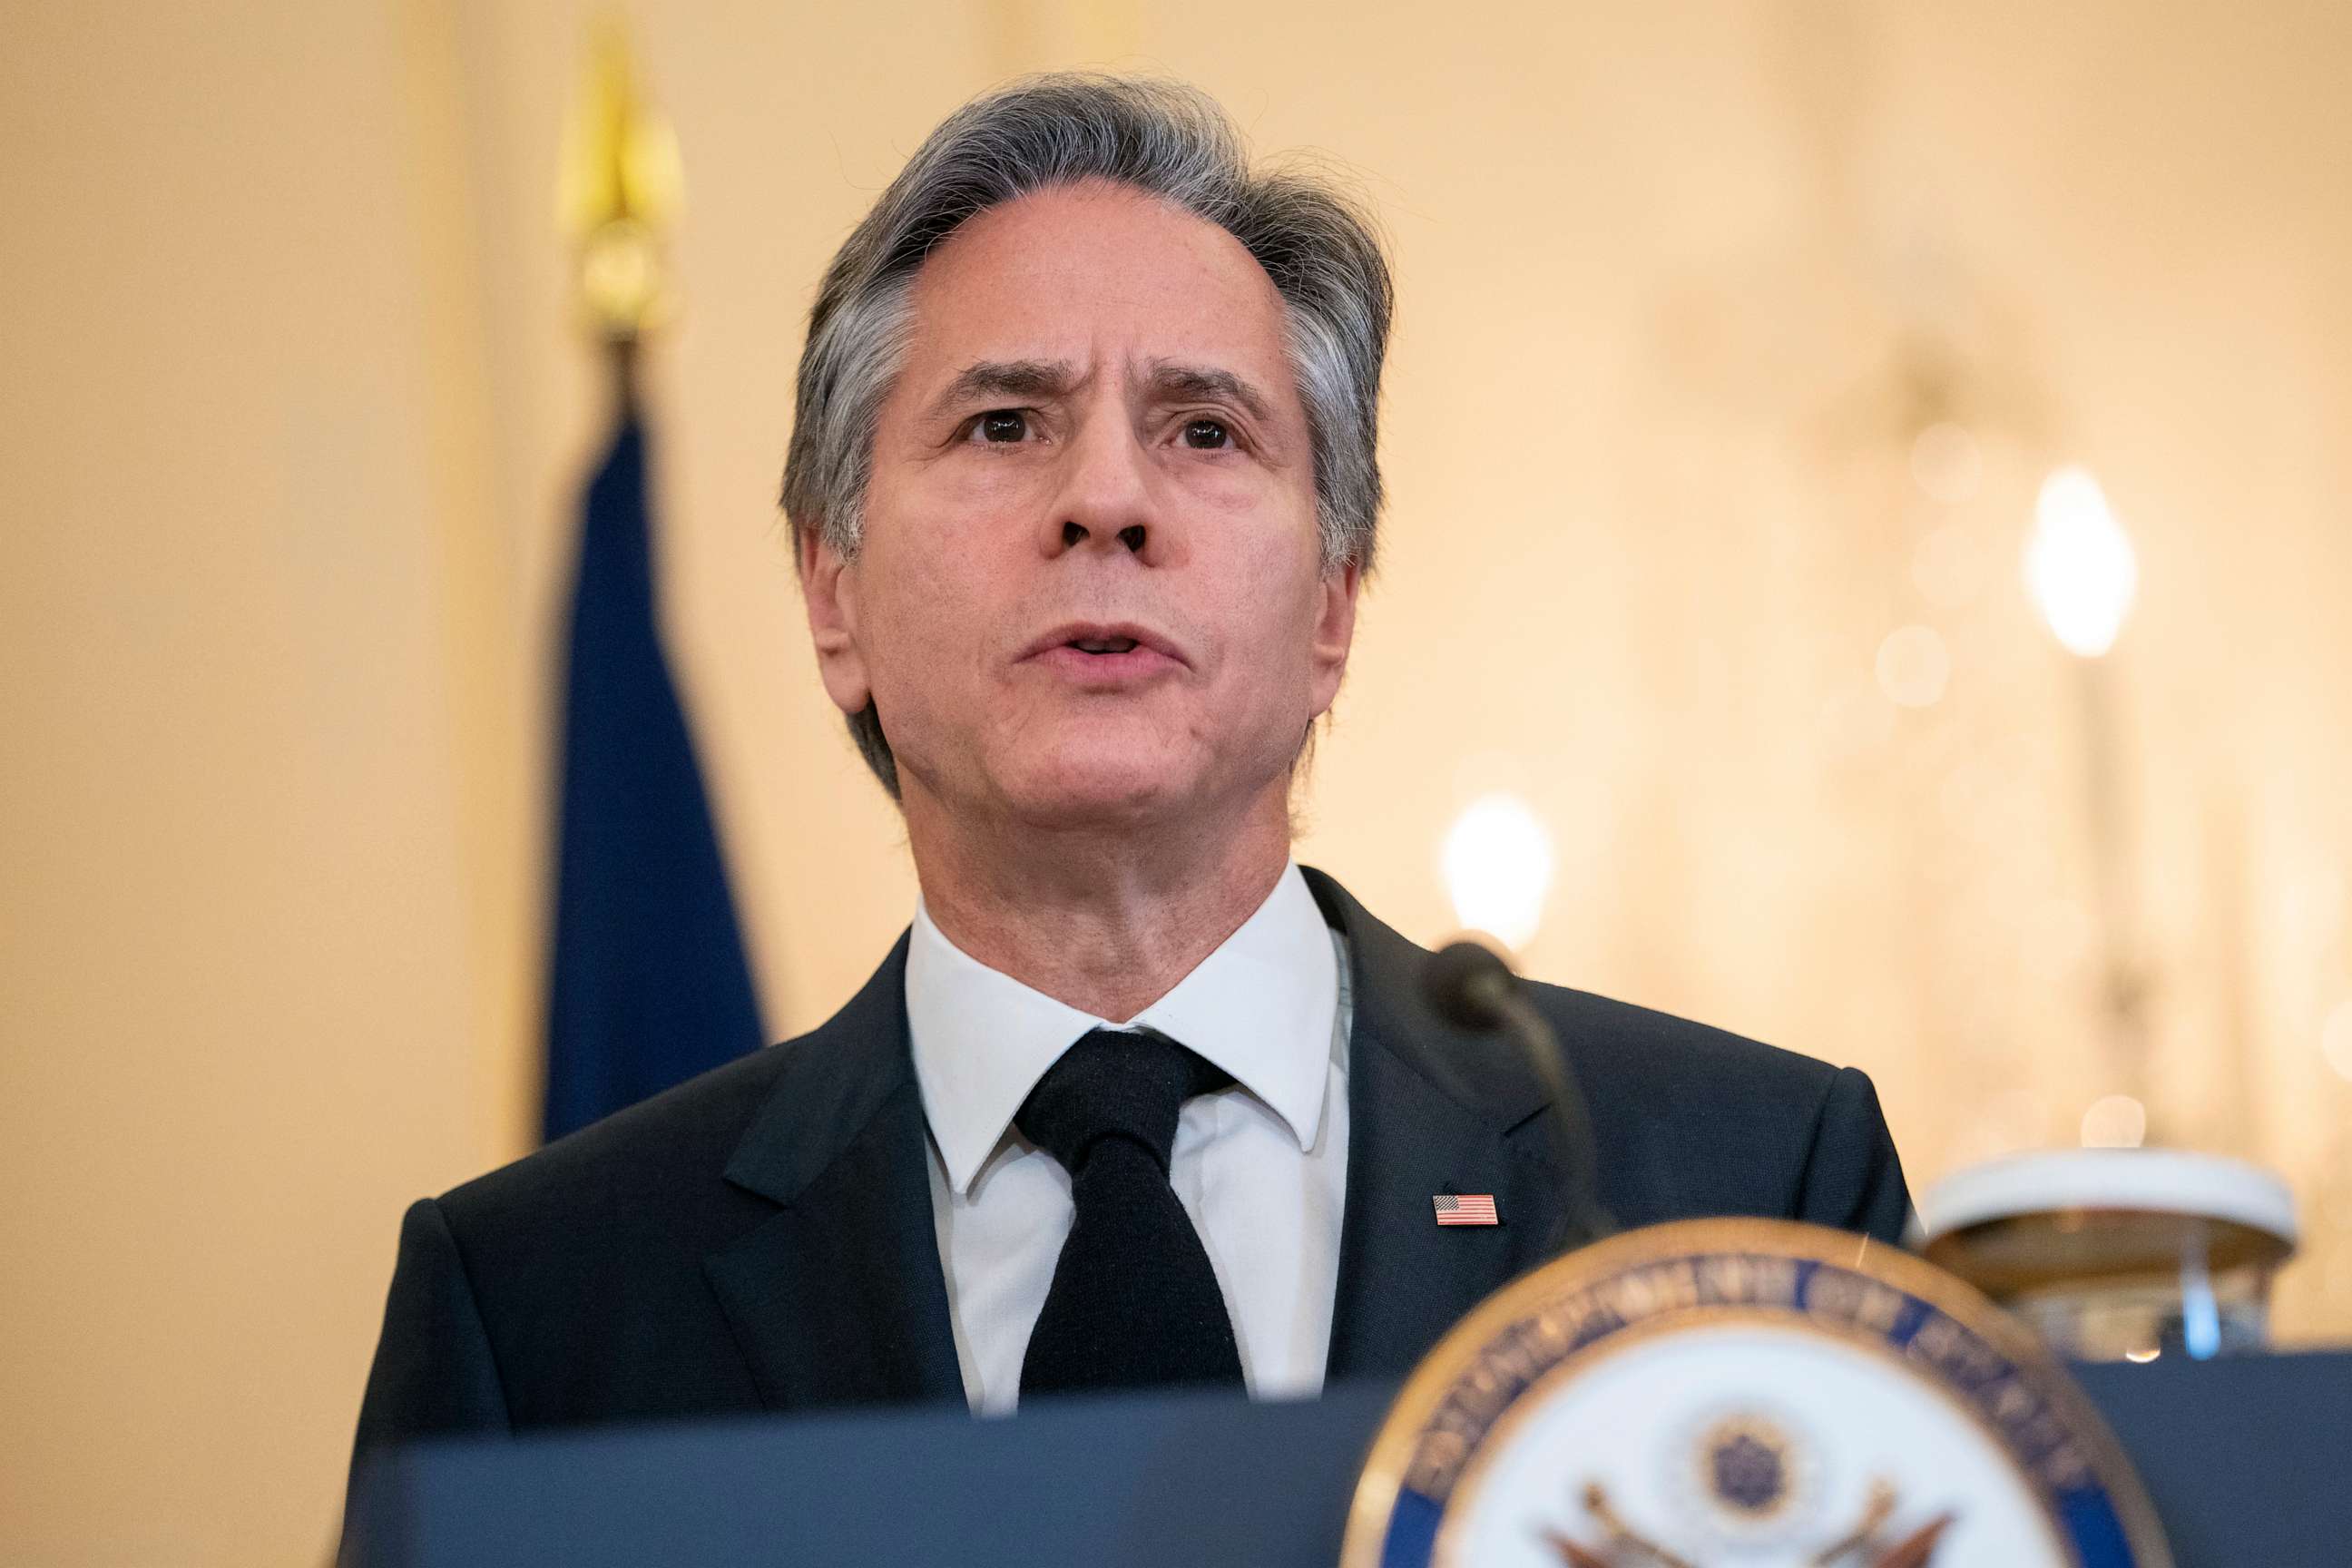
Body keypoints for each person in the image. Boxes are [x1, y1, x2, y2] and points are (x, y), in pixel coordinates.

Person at [348, 70, 1906, 1474]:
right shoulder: (540, 1312)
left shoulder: (1747, 1190)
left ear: (1333, 608)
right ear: (834, 595)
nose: (1107, 499)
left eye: (1206, 432)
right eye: (1007, 423)